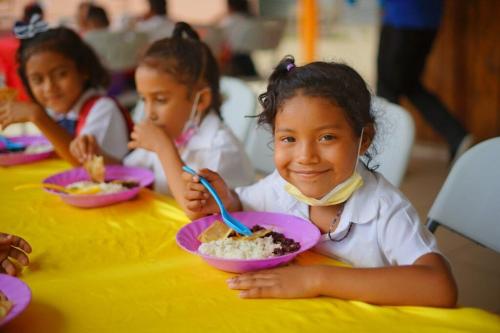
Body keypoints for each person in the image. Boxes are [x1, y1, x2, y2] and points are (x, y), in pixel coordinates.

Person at [182, 56, 457, 307]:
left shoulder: (385, 209)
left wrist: (317, 279)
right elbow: (243, 204)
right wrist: (223, 200)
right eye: (288, 139)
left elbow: (440, 287)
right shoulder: (281, 186)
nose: (306, 157)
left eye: (327, 137)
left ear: (364, 139)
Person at [72, 22, 255, 199]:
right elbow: (129, 173)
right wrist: (96, 154)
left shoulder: (220, 150)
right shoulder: (170, 133)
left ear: (201, 100)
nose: (149, 112)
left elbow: (201, 211)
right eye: (144, 99)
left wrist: (163, 148)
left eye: (160, 100)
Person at [0, 15, 133, 166]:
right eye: (38, 80)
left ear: (83, 70)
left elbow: (85, 165)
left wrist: (37, 116)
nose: (49, 87)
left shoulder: (103, 109)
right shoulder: (58, 112)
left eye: (60, 74)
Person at [376, 0, 473, 163]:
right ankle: (456, 135)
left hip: (402, 17)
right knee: (410, 85)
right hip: (428, 20)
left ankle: (387, 158)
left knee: (388, 88)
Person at [217, 0, 259, 77]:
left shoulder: (228, 21)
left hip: (233, 60)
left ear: (230, 6)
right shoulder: (251, 20)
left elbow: (221, 38)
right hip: (248, 60)